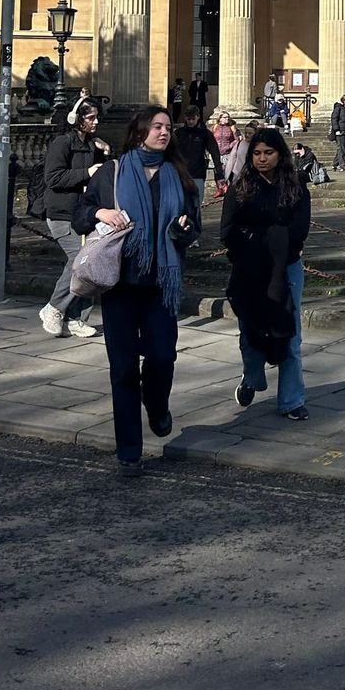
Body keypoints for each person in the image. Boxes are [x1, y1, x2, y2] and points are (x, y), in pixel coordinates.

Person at [72, 106, 201, 476]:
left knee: (163, 357)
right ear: (140, 130)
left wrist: (182, 228)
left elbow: (194, 228)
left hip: (162, 282)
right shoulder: (113, 172)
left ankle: (157, 405)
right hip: (120, 284)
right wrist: (101, 214)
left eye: (168, 127)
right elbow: (81, 213)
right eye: (157, 126)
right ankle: (129, 451)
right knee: (123, 369)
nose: (164, 132)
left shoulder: (179, 174)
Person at [221, 128, 311, 422]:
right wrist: (260, 243)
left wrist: (277, 243)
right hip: (250, 268)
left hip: (287, 267)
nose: (261, 159)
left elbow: (300, 230)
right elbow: (228, 230)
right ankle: (252, 378)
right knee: (251, 328)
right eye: (256, 153)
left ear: (280, 154)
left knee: (290, 334)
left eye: (268, 153)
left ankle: (291, 400)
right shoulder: (241, 186)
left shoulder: (296, 185)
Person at [39, 99, 110, 338]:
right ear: (76, 119)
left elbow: (103, 176)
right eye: (91, 117)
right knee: (80, 260)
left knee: (90, 262)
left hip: (82, 213)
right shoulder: (62, 143)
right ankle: (54, 307)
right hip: (60, 213)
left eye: (96, 117)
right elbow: (53, 178)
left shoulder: (93, 144)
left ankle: (77, 318)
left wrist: (107, 154)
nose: (96, 122)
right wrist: (85, 173)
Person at [173, 104, 224, 199]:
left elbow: (215, 153)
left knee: (197, 203)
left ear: (198, 117)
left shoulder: (205, 133)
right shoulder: (178, 133)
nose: (191, 121)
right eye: (188, 119)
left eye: (193, 119)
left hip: (198, 173)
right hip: (180, 173)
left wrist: (219, 174)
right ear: (185, 118)